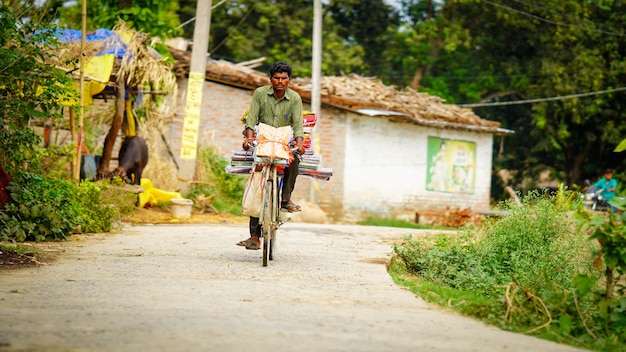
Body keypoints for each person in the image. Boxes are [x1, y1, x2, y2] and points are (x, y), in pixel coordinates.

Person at [237, 61, 305, 250]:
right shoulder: (260, 93)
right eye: (277, 78)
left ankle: (285, 199)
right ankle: (254, 236)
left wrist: (299, 145)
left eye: (284, 78)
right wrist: (249, 139)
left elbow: (298, 125)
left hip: (283, 141)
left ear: (289, 80)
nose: (280, 81)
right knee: (258, 182)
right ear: (271, 79)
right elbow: (251, 119)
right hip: (264, 140)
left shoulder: (295, 98)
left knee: (295, 160)